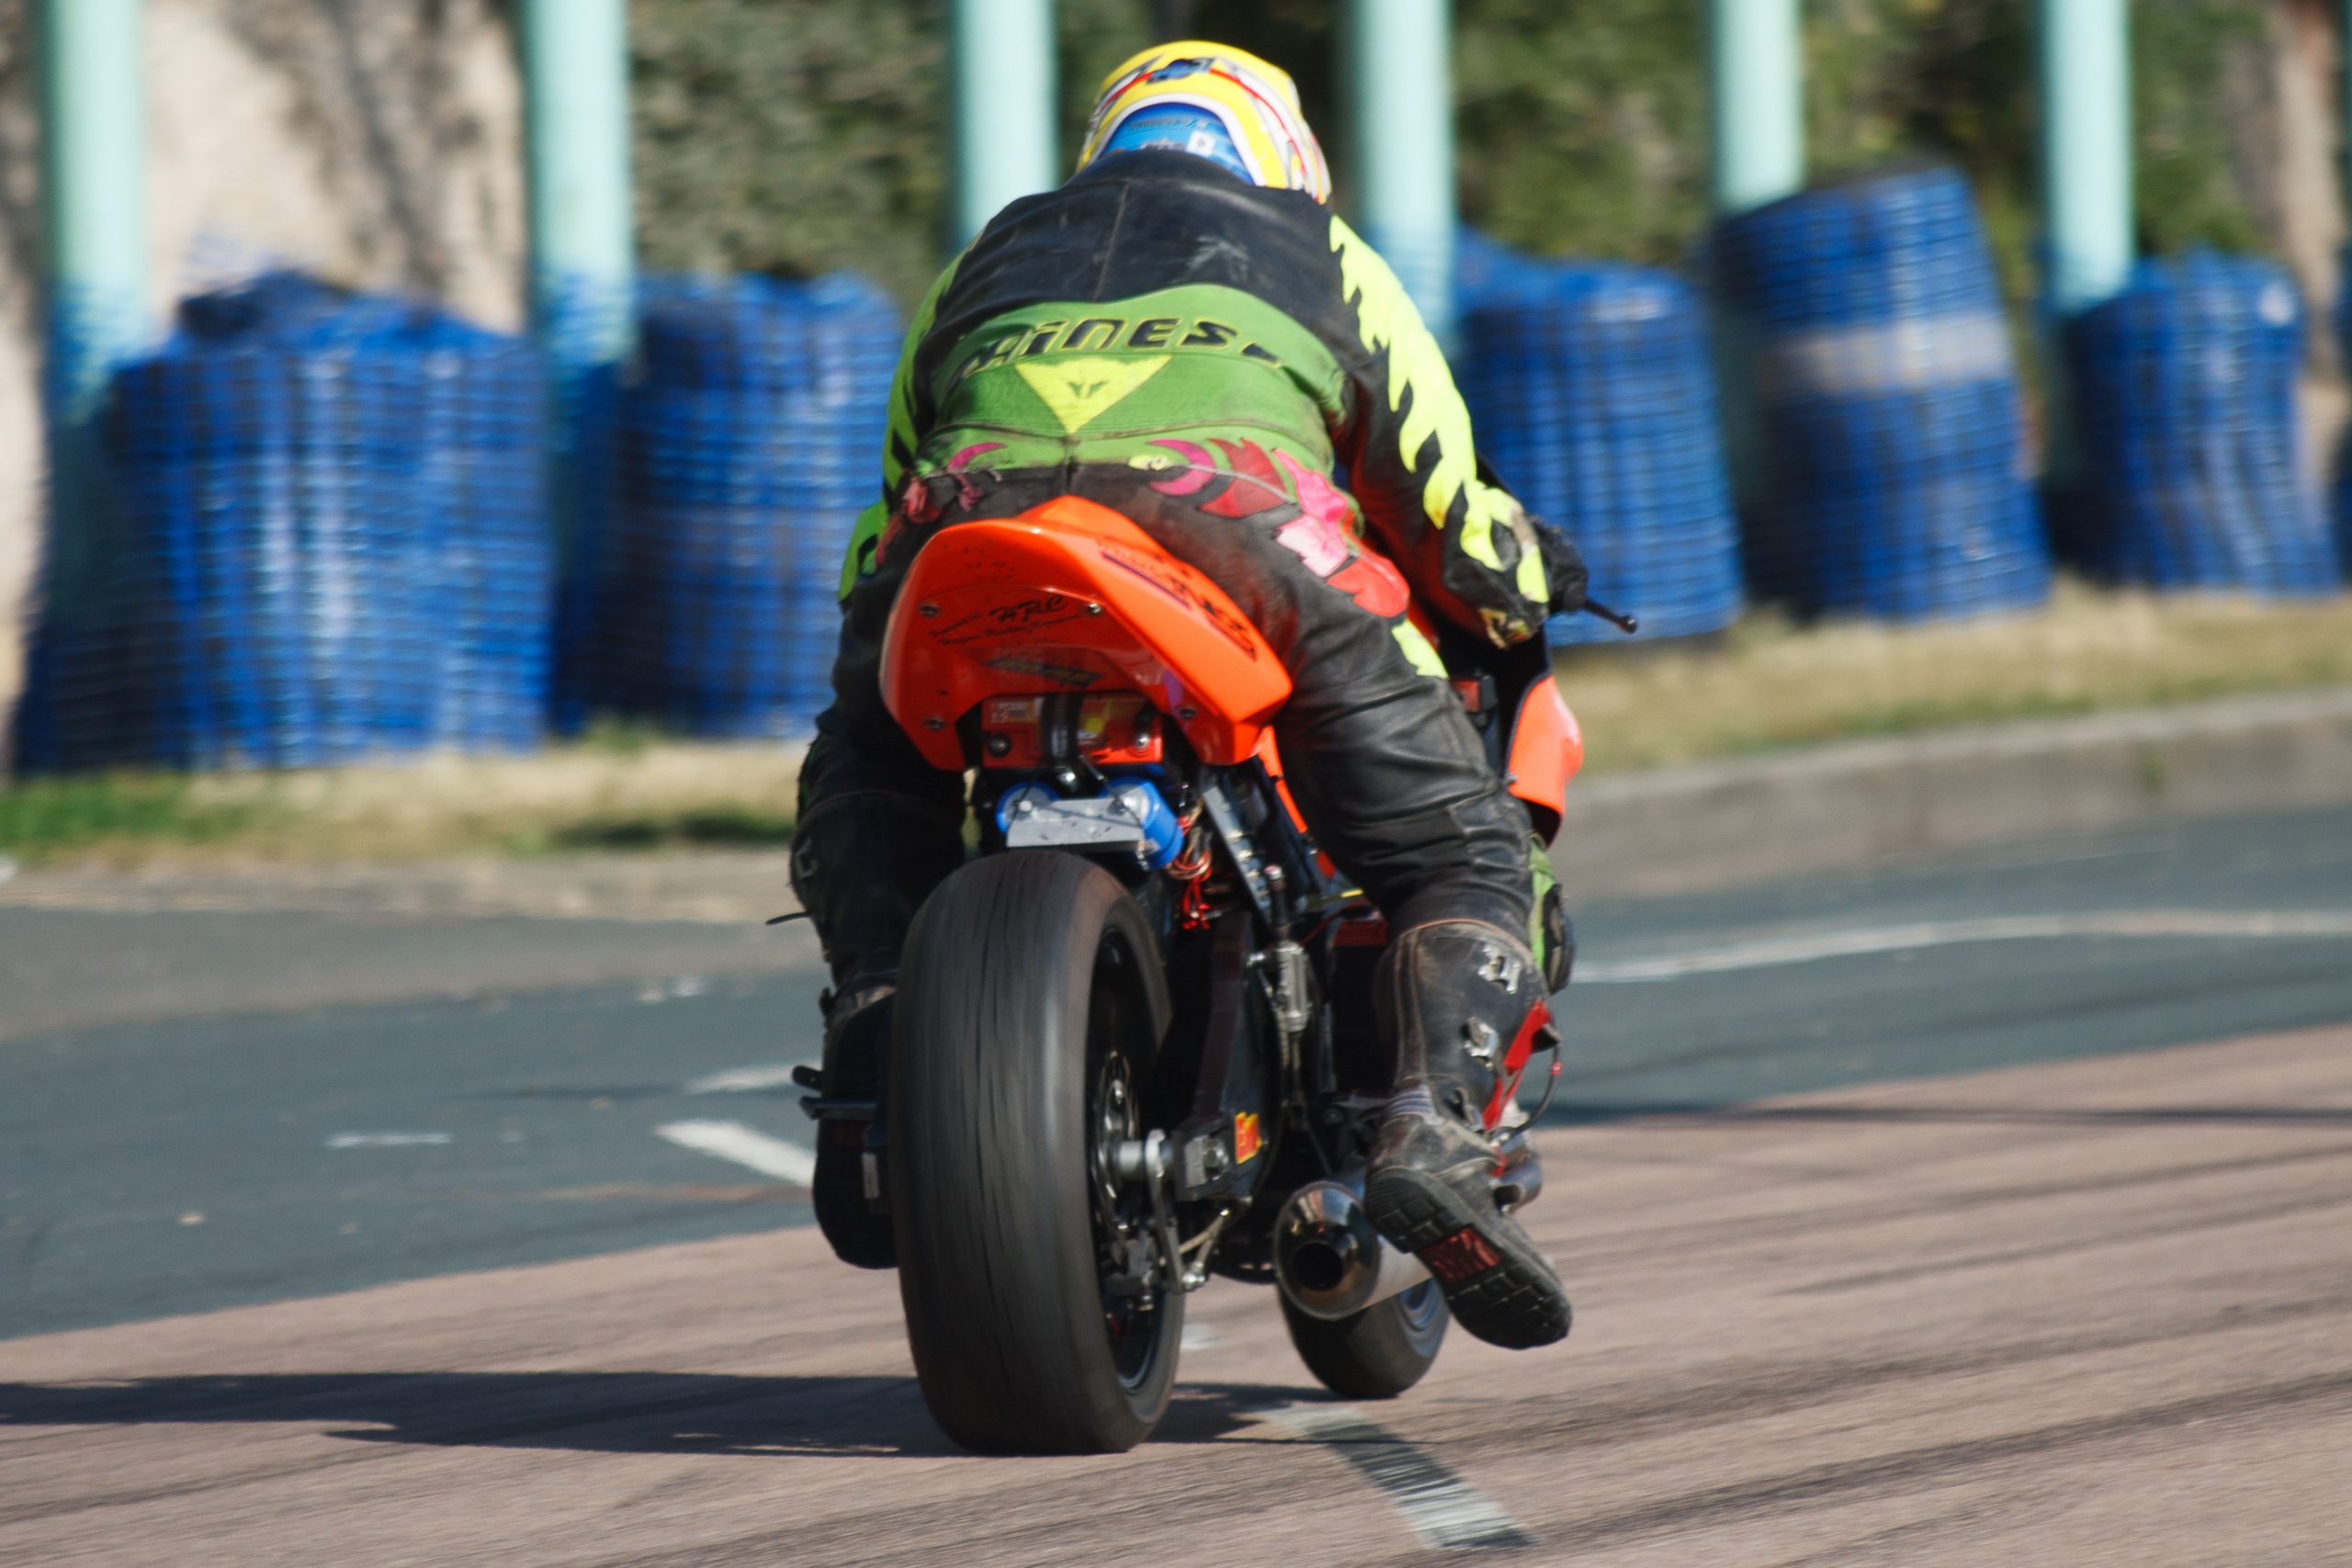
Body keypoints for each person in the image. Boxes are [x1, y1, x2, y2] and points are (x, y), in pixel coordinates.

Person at [792, 41, 1587, 1350]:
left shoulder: (985, 256)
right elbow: (1443, 505)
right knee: (1463, 853)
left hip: (968, 533)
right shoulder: (1323, 254)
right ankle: (1434, 1129)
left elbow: (891, 490)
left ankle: (878, 1018)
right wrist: (1521, 578)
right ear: (1284, 158)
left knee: (868, 755)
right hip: (1232, 522)